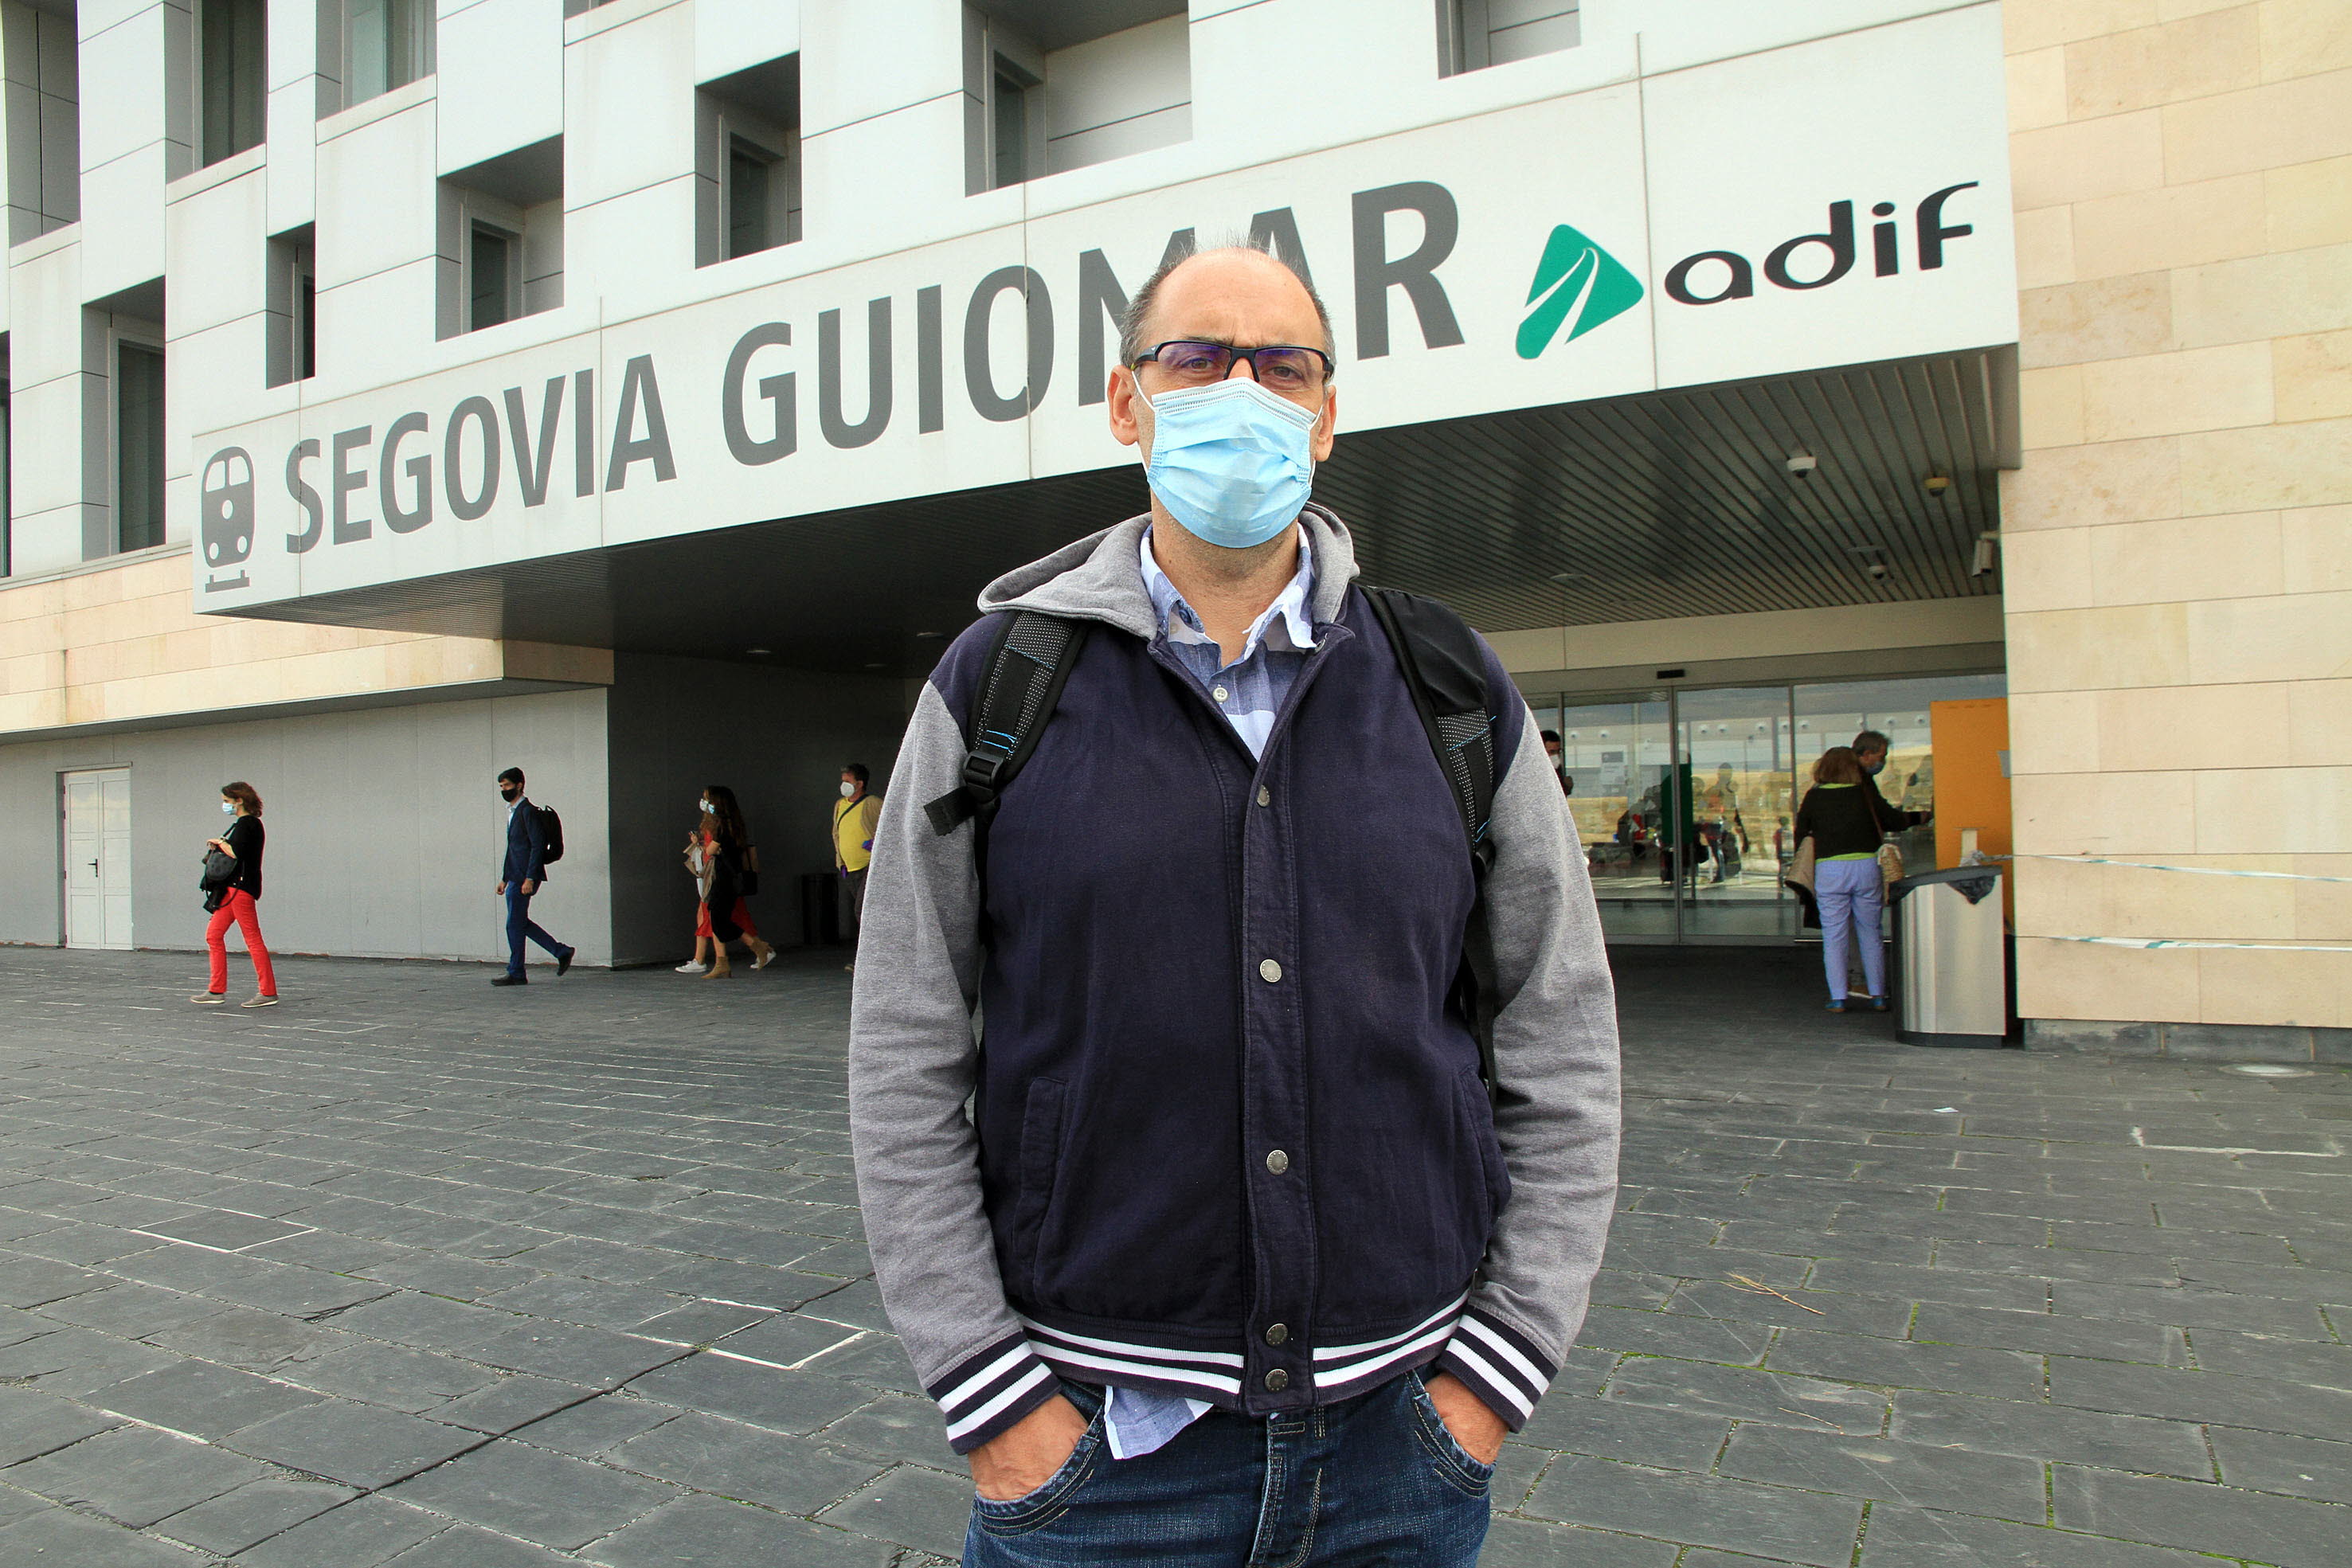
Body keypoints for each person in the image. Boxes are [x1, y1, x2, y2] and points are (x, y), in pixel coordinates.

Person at [848, 238, 1621, 1568]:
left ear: (1325, 414)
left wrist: (1495, 1373)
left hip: (1402, 1452)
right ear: (1123, 399)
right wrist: (988, 1394)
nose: (1240, 390)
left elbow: (1562, 1027)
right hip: (1088, 1463)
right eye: (1196, 357)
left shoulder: (1447, 682)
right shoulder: (995, 684)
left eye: (1282, 364)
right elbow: (901, 1045)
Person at [1794, 746, 1890, 1012]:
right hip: (1866, 866)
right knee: (1870, 932)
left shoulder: (1814, 797)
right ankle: (1879, 995)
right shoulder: (1864, 794)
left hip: (1830, 869)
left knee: (1834, 936)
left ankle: (1838, 997)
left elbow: (1801, 833)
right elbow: (1890, 819)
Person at [193, 781, 277, 1007]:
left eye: (227, 802)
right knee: (214, 935)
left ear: (239, 801)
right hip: (233, 889)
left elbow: (237, 853)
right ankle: (216, 990)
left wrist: (220, 843)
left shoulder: (248, 824)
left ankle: (268, 991)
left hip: (240, 888)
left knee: (252, 938)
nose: (225, 805)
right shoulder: (246, 824)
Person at [678, 784, 775, 977]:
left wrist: (706, 846)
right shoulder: (733, 823)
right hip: (728, 876)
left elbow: (711, 850)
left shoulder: (722, 825)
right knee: (718, 918)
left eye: (708, 799)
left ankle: (758, 947)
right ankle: (726, 962)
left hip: (724, 877)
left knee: (718, 919)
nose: (704, 803)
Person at [492, 767, 573, 987]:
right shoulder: (513, 812)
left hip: (525, 875)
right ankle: (560, 951)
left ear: (519, 785)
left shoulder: (527, 811)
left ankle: (517, 971)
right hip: (516, 875)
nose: (503, 790)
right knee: (518, 923)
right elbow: (514, 849)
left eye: (507, 785)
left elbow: (536, 846)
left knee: (513, 925)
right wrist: (504, 877)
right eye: (501, 786)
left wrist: (529, 877)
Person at [833, 763, 882, 972]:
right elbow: (837, 833)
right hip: (849, 868)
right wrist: (841, 861)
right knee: (865, 913)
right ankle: (872, 957)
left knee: (862, 911)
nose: (844, 785)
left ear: (860, 784)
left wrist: (876, 843)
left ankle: (868, 960)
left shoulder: (872, 803)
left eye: (847, 781)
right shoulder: (840, 805)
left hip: (868, 866)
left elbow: (890, 826)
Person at [1852, 729, 1930, 831]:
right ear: (1867, 755)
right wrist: (1918, 817)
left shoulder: (1850, 775)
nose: (1883, 762)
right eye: (1881, 757)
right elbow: (1884, 816)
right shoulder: (1860, 780)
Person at [1541, 728, 1571, 794]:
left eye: (1558, 751)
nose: (1556, 756)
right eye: (1552, 752)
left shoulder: (1557, 769)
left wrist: (1566, 788)